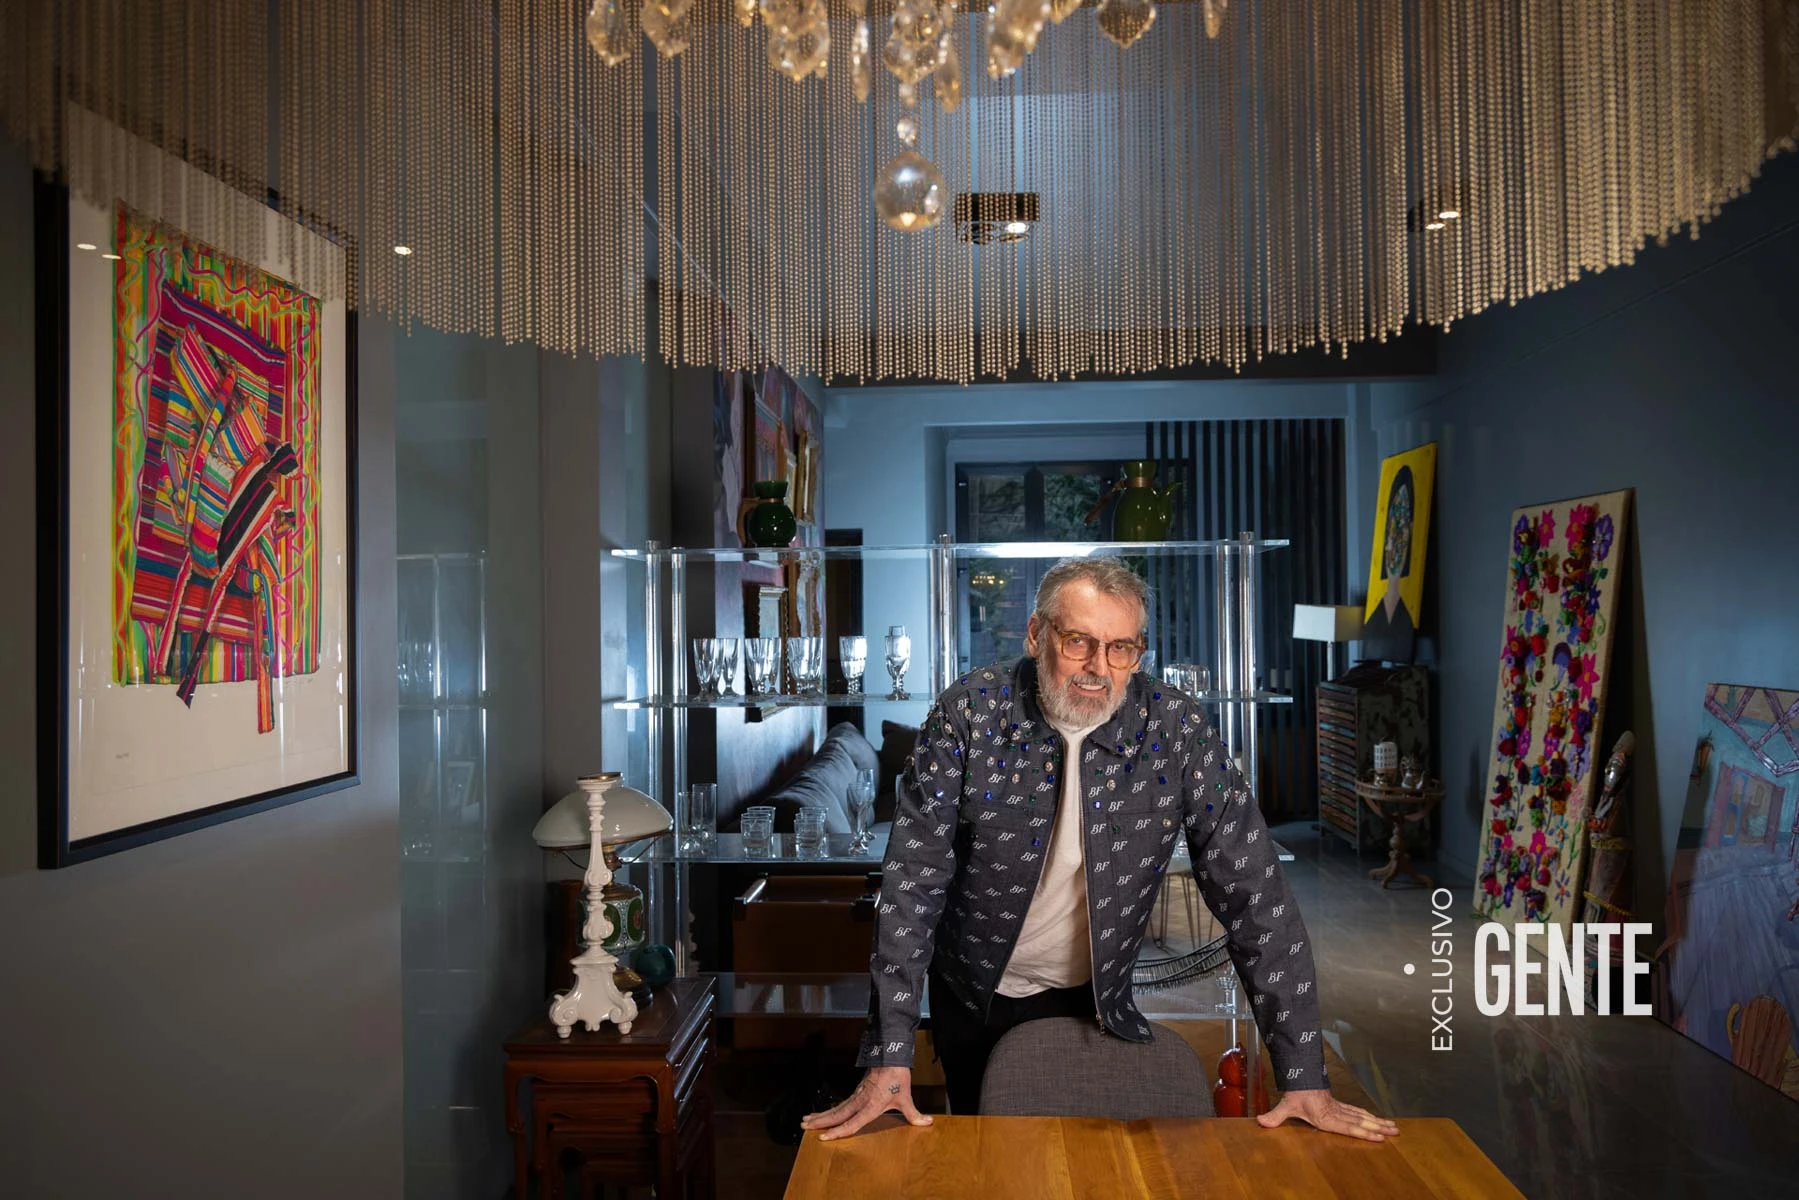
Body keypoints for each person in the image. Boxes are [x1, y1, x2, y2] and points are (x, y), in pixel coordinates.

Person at [802, 557, 1397, 1143]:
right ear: (1036, 636)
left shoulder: (1177, 730)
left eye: (1121, 648)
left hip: (1095, 996)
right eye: (1078, 641)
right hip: (973, 991)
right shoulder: (969, 712)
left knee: (1089, 1161)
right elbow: (913, 883)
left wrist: (1303, 1074)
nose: (1098, 667)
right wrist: (890, 1053)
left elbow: (1257, 898)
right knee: (989, 1159)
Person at [1361, 465, 1417, 663]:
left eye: (1400, 529)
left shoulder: (1409, 619)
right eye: (1391, 529)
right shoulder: (1373, 620)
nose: (1393, 544)